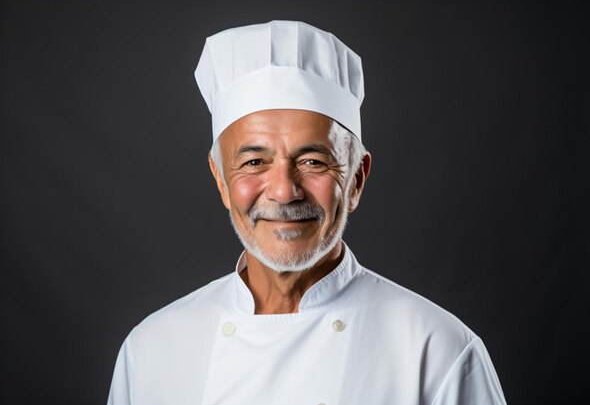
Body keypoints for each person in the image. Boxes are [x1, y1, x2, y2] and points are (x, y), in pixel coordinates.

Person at [106, 20, 507, 405]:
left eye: (314, 161)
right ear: (220, 180)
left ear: (356, 179)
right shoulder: (151, 350)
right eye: (253, 162)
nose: (284, 191)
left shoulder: (438, 350)